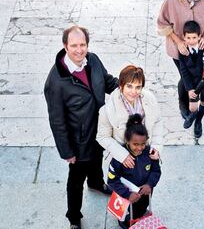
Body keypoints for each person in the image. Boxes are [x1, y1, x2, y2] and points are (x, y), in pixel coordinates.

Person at [44, 25, 119, 229]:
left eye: (82, 44)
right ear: (65, 46)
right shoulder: (55, 81)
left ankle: (96, 183)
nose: (79, 50)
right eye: (74, 45)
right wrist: (67, 151)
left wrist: (127, 86)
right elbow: (57, 121)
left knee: (96, 161)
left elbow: (107, 81)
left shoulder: (93, 60)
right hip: (78, 141)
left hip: (100, 130)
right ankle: (74, 217)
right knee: (76, 181)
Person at [96, 65, 163, 169]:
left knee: (146, 184)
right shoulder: (107, 109)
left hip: (146, 155)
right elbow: (102, 137)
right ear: (121, 85)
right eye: (129, 86)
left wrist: (156, 146)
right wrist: (122, 155)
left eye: (138, 87)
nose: (133, 91)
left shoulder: (150, 99)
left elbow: (157, 121)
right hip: (122, 160)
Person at [107, 114, 161, 229]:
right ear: (128, 141)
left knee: (141, 209)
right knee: (128, 215)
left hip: (145, 192)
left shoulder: (149, 152)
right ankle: (126, 223)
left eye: (143, 144)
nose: (140, 148)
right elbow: (112, 180)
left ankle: (139, 215)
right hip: (125, 197)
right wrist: (127, 195)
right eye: (135, 144)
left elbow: (156, 171)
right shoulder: (119, 157)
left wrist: (149, 184)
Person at [178, 21, 204, 138]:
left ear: (199, 36)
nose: (191, 40)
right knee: (193, 107)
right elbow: (184, 72)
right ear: (184, 37)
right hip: (194, 84)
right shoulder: (182, 51)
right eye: (188, 38)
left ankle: (198, 121)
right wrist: (189, 89)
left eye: (194, 37)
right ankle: (193, 115)